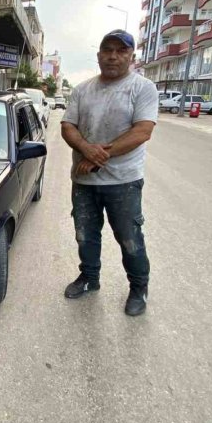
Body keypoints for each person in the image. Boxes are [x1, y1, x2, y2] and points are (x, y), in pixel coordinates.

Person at [60, 30, 158, 316]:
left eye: (121, 50)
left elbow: (142, 131)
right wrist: (86, 150)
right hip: (84, 182)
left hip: (123, 182)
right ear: (99, 54)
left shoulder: (142, 88)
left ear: (131, 56)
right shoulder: (82, 90)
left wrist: (98, 156)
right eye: (107, 50)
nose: (113, 56)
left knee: (129, 237)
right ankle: (90, 279)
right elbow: (68, 126)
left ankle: (139, 288)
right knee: (85, 235)